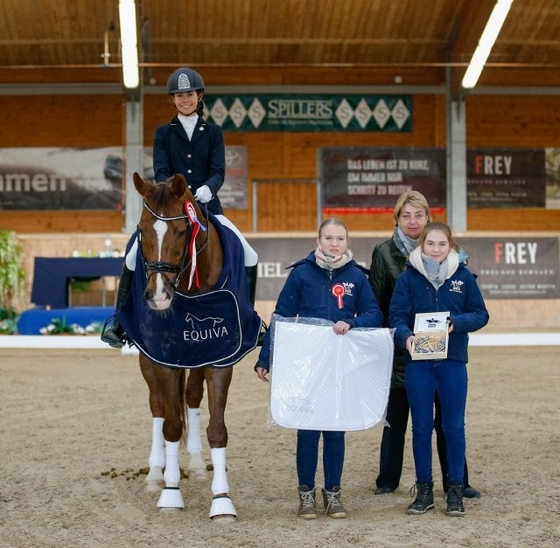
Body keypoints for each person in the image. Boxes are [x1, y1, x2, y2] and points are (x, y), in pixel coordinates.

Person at [102, 67, 259, 348]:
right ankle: (118, 321)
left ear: (199, 96)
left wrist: (208, 188)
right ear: (172, 100)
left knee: (250, 254)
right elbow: (162, 170)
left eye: (189, 94)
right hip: (171, 207)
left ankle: (249, 319)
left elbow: (218, 170)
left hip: (208, 206)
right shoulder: (164, 133)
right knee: (132, 254)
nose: (184, 99)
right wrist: (179, 193)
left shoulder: (213, 132)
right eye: (178, 95)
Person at [255, 218, 383, 520]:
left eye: (340, 238)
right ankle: (306, 495)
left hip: (341, 366)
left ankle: (333, 493)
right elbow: (282, 317)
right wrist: (266, 357)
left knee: (336, 431)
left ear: (348, 242)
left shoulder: (357, 276)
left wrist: (352, 322)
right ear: (319, 239)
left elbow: (374, 313)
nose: (334, 244)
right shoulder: (301, 273)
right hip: (309, 366)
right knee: (308, 431)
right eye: (329, 238)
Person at [369, 191, 480, 498]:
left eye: (418, 215)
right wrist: (394, 339)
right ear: (397, 219)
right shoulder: (384, 252)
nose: (413, 221)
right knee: (398, 421)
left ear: (428, 219)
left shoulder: (454, 258)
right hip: (402, 348)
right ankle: (388, 480)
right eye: (406, 215)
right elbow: (378, 302)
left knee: (449, 417)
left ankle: (457, 481)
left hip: (445, 353)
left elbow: (471, 306)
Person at [389, 221, 489, 517]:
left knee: (453, 427)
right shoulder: (408, 279)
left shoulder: (463, 277)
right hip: (419, 364)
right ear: (422, 246)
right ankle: (424, 491)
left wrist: (456, 323)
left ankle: (455, 490)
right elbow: (395, 316)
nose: (435, 249)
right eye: (430, 244)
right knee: (420, 427)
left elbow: (481, 314)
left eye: (441, 244)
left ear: (451, 246)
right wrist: (405, 336)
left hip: (453, 362)